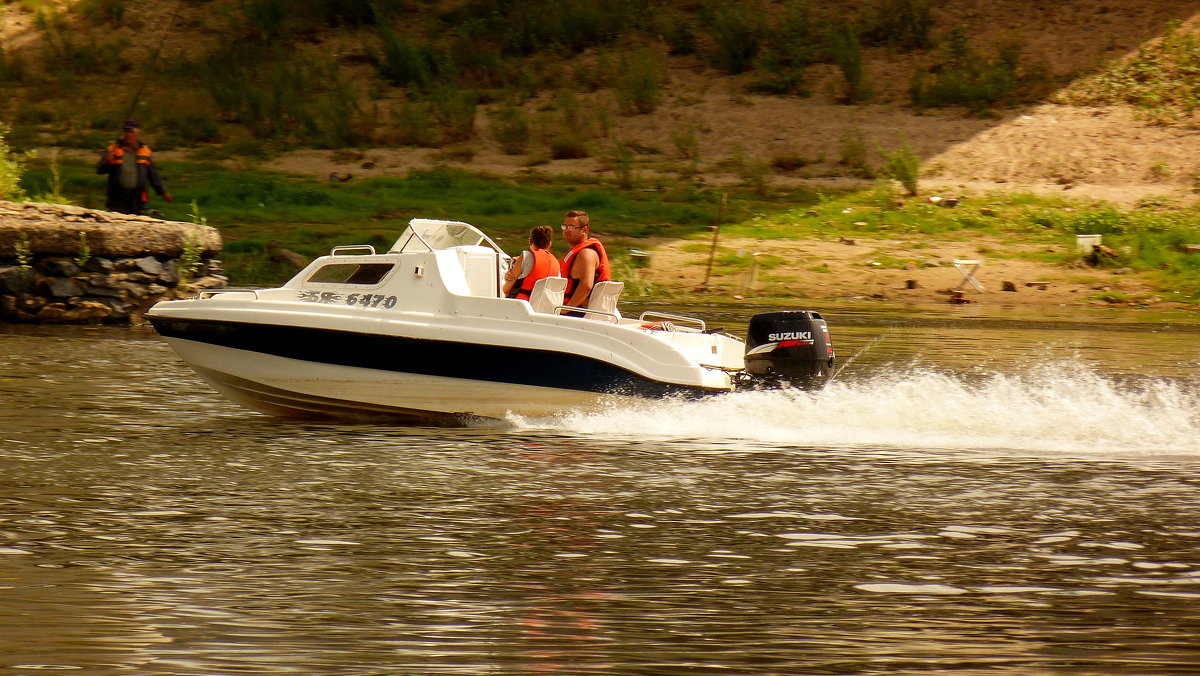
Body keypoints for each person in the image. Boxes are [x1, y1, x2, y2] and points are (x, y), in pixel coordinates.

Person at [96, 120, 172, 215]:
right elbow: (100, 170)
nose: (128, 135)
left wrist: (163, 192)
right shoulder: (112, 150)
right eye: (126, 131)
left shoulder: (145, 151)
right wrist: (107, 161)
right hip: (117, 197)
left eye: (131, 132)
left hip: (137, 197)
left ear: (137, 134)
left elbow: (153, 175)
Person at [558, 210, 611, 314]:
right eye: (565, 226)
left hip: (580, 312)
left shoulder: (587, 253)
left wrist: (564, 310)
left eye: (572, 227)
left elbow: (586, 286)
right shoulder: (577, 252)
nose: (567, 230)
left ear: (584, 230)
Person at [504, 225, 559, 300]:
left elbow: (506, 290)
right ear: (550, 244)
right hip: (545, 308)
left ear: (530, 241)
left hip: (522, 306)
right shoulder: (556, 263)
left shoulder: (526, 256)